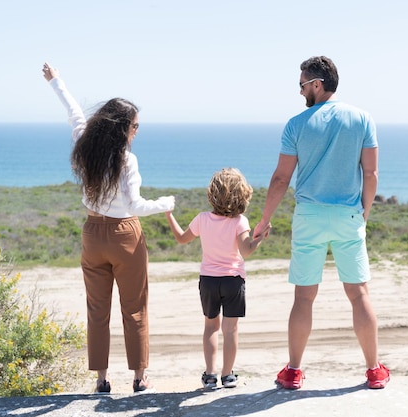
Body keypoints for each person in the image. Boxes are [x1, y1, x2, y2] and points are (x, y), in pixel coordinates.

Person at [253, 56, 390, 390]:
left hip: (310, 216)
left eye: (302, 85)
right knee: (359, 295)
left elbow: (281, 179)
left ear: (316, 84)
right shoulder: (362, 118)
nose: (300, 92)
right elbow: (370, 173)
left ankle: (293, 372)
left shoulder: (296, 124)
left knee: (304, 297)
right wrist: (364, 212)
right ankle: (374, 371)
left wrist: (264, 220)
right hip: (348, 215)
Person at [42, 62, 175, 394]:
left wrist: (56, 81)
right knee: (135, 309)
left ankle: (101, 379)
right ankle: (139, 378)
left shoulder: (84, 146)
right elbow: (135, 206)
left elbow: (74, 114)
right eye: (135, 125)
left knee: (97, 310)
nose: (137, 131)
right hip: (125, 235)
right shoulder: (126, 160)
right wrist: (166, 203)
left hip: (92, 235)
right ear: (122, 128)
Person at [165, 168, 269, 389]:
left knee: (211, 327)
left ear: (213, 193)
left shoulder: (203, 219)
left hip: (209, 281)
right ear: (242, 194)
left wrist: (169, 215)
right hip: (233, 280)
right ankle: (228, 375)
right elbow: (247, 251)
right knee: (230, 329)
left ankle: (210, 376)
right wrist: (259, 237)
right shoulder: (240, 222)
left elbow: (182, 239)